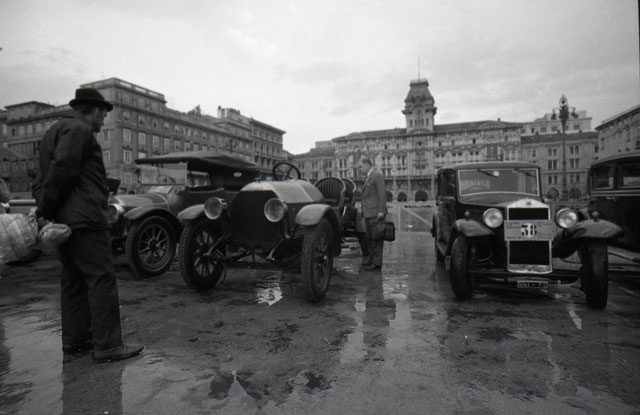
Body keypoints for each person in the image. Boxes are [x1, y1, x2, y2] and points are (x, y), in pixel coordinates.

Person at [32, 88, 143, 363]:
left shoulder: (52, 132)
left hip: (65, 221)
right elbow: (63, 170)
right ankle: (108, 346)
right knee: (101, 278)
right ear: (93, 110)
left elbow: (40, 178)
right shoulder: (79, 130)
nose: (104, 121)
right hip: (86, 219)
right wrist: (47, 208)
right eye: (103, 114)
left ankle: (75, 341)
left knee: (72, 280)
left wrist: (47, 210)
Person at [358, 157, 387, 271]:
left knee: (377, 239)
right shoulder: (369, 177)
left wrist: (381, 211)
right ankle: (371, 260)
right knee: (370, 238)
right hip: (368, 213)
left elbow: (382, 194)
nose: (359, 169)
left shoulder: (377, 175)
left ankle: (377, 263)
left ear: (367, 165)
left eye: (360, 166)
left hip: (375, 213)